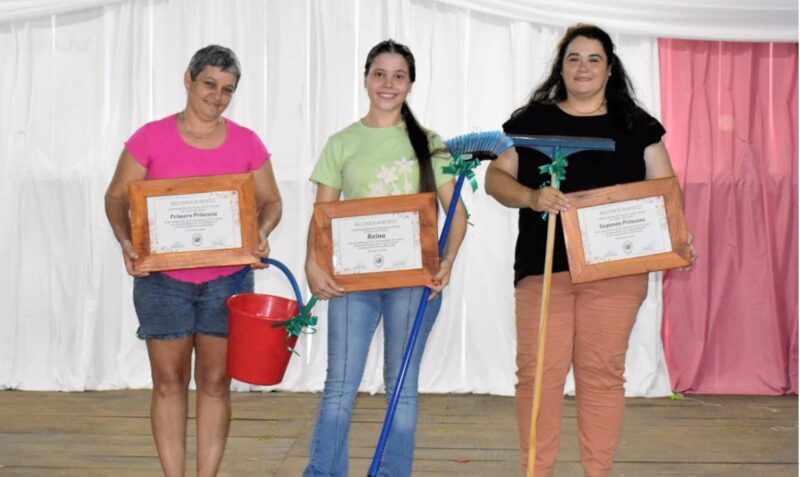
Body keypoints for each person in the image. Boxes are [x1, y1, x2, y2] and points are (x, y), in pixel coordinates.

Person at [485, 24, 697, 477]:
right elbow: (496, 180)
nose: (583, 67)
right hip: (544, 272)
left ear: (609, 67)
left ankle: (596, 473)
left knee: (601, 377)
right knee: (538, 377)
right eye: (574, 58)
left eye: (593, 58)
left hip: (615, 275)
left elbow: (666, 189)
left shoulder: (636, 125)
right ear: (561, 67)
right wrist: (531, 197)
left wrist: (678, 236)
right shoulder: (529, 123)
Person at [104, 45, 282, 477]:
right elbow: (115, 199)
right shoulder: (149, 137)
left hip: (228, 279)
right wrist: (128, 242)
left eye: (227, 89)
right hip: (162, 281)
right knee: (168, 382)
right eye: (209, 84)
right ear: (188, 79)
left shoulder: (247, 141)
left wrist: (260, 234)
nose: (216, 96)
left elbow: (272, 202)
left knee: (217, 383)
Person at [302, 39, 468, 477]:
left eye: (398, 76)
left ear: (411, 83)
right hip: (351, 281)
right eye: (380, 74)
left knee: (402, 387)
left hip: (414, 282)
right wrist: (312, 262)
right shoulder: (342, 142)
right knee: (340, 386)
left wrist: (447, 260)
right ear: (366, 79)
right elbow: (322, 215)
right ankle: (324, 472)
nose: (388, 84)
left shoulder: (430, 143)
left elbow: (458, 213)